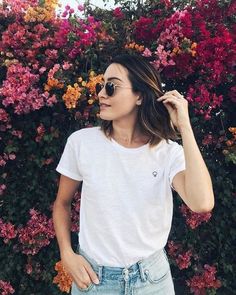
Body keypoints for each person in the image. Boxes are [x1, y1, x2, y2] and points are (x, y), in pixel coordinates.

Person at [53, 54, 215, 295]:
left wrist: (184, 127)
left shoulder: (168, 153)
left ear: (139, 95)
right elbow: (62, 203)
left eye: (112, 86)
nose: (101, 94)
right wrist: (67, 254)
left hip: (152, 281)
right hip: (95, 280)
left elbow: (201, 203)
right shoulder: (81, 143)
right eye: (102, 85)